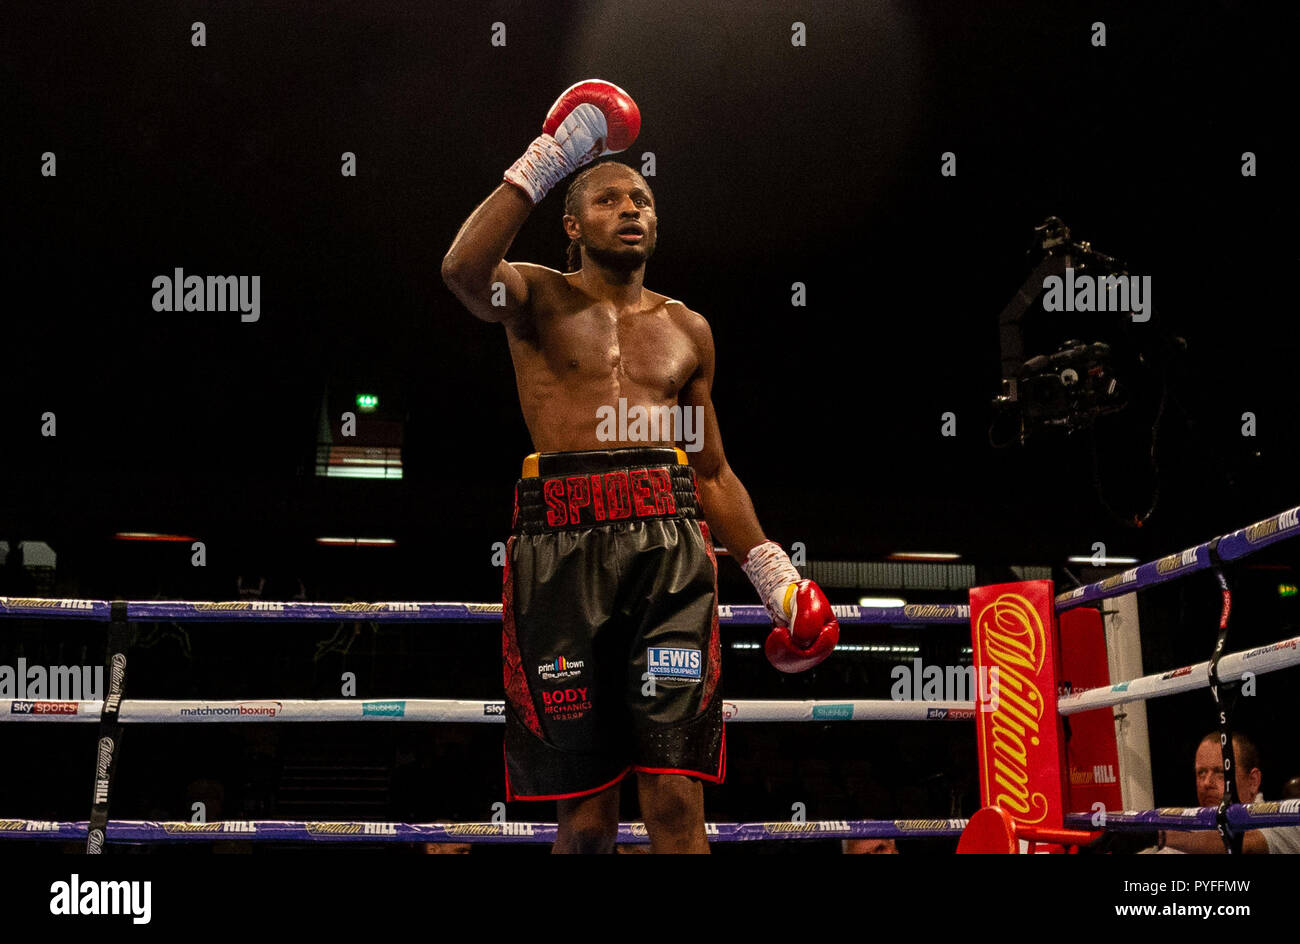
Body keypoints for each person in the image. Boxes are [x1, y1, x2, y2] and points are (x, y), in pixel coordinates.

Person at [442, 80, 839, 853]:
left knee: (675, 802)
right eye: (611, 199)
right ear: (571, 221)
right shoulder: (535, 298)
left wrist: (774, 575)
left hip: (670, 549)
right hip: (561, 546)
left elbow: (713, 472)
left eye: (644, 200)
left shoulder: (687, 328)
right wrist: (548, 156)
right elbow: (462, 270)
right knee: (586, 818)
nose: (632, 209)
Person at [1156, 730, 1299, 853]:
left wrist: (1160, 835)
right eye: (1201, 773)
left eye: (1220, 773)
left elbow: (1243, 844)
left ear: (1253, 781)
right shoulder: (1186, 842)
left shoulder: (1285, 823)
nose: (1206, 783)